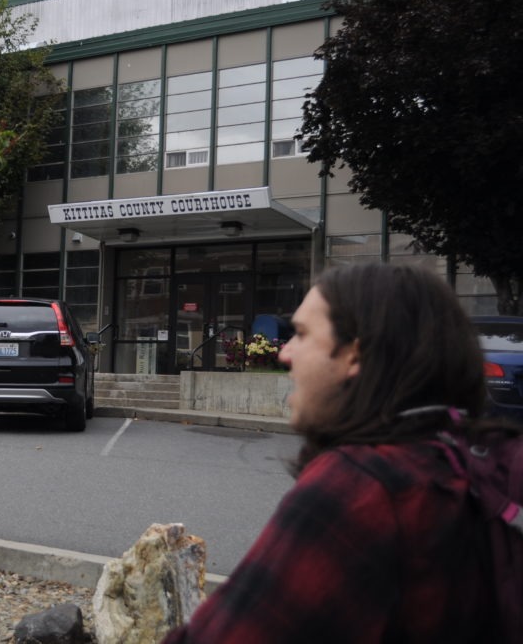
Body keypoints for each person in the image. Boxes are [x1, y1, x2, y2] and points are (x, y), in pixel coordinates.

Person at [162, 262, 518, 643]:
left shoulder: (363, 487)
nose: (285, 353)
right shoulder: (496, 461)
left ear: (354, 356)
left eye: (301, 334)